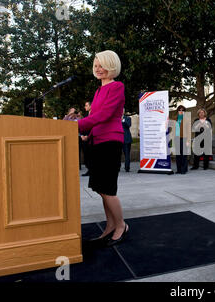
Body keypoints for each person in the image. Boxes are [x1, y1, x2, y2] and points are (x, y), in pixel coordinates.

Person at [78, 50, 129, 246]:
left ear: (112, 65)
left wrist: (77, 125)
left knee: (108, 189)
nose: (98, 69)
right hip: (96, 141)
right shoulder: (98, 90)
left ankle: (121, 225)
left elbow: (104, 115)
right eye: (96, 65)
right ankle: (110, 225)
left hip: (110, 141)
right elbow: (95, 118)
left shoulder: (117, 86)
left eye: (102, 65)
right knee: (100, 188)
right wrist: (87, 133)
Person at [174, 105, 190, 174]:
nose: (181, 111)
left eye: (182, 110)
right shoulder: (175, 119)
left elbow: (188, 130)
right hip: (176, 138)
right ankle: (179, 170)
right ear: (178, 111)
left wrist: (188, 140)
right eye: (179, 110)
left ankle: (184, 169)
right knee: (178, 155)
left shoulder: (187, 119)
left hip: (184, 138)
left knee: (184, 155)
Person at [81, 101, 92, 176]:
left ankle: (93, 170)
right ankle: (89, 170)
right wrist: (82, 135)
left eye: (86, 105)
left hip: (92, 138)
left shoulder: (95, 114)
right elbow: (82, 126)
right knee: (86, 155)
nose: (85, 107)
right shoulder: (85, 115)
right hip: (84, 138)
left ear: (91, 106)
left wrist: (88, 136)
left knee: (92, 155)